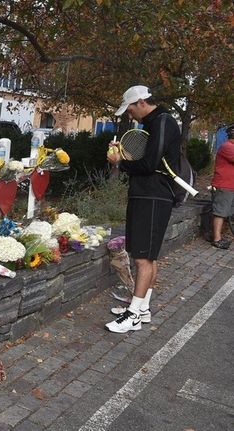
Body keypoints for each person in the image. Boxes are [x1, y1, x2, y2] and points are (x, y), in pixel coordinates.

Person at [105, 85, 181, 333]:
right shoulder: (155, 123)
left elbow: (148, 165)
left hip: (153, 196)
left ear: (139, 102)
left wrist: (120, 162)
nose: (129, 115)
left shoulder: (162, 122)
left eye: (129, 109)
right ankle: (143, 308)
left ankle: (133, 315)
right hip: (150, 195)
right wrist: (124, 156)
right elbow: (151, 160)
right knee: (149, 256)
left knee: (142, 257)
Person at [210, 125, 234, 249]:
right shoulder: (227, 147)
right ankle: (216, 239)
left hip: (230, 185)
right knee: (220, 212)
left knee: (226, 212)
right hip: (224, 185)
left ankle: (220, 235)